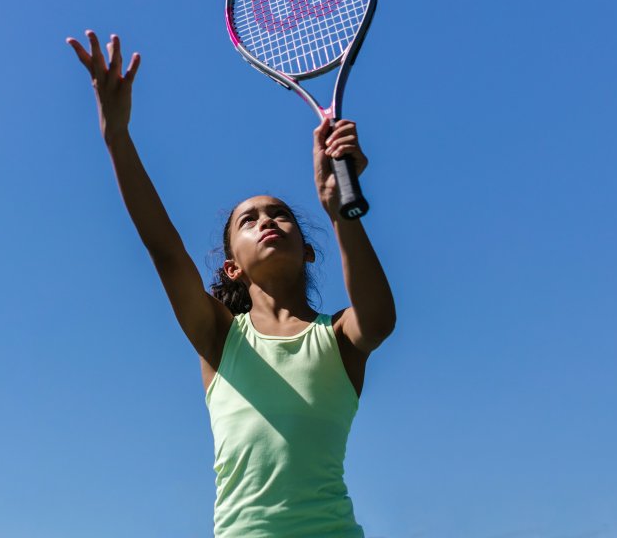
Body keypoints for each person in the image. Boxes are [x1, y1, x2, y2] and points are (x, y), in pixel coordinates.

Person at [67, 30, 396, 538]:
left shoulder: (338, 339)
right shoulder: (221, 339)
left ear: (308, 249)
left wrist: (339, 210)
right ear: (232, 268)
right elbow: (165, 251)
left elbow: (380, 319)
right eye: (248, 220)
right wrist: (118, 138)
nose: (266, 220)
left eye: (281, 214)